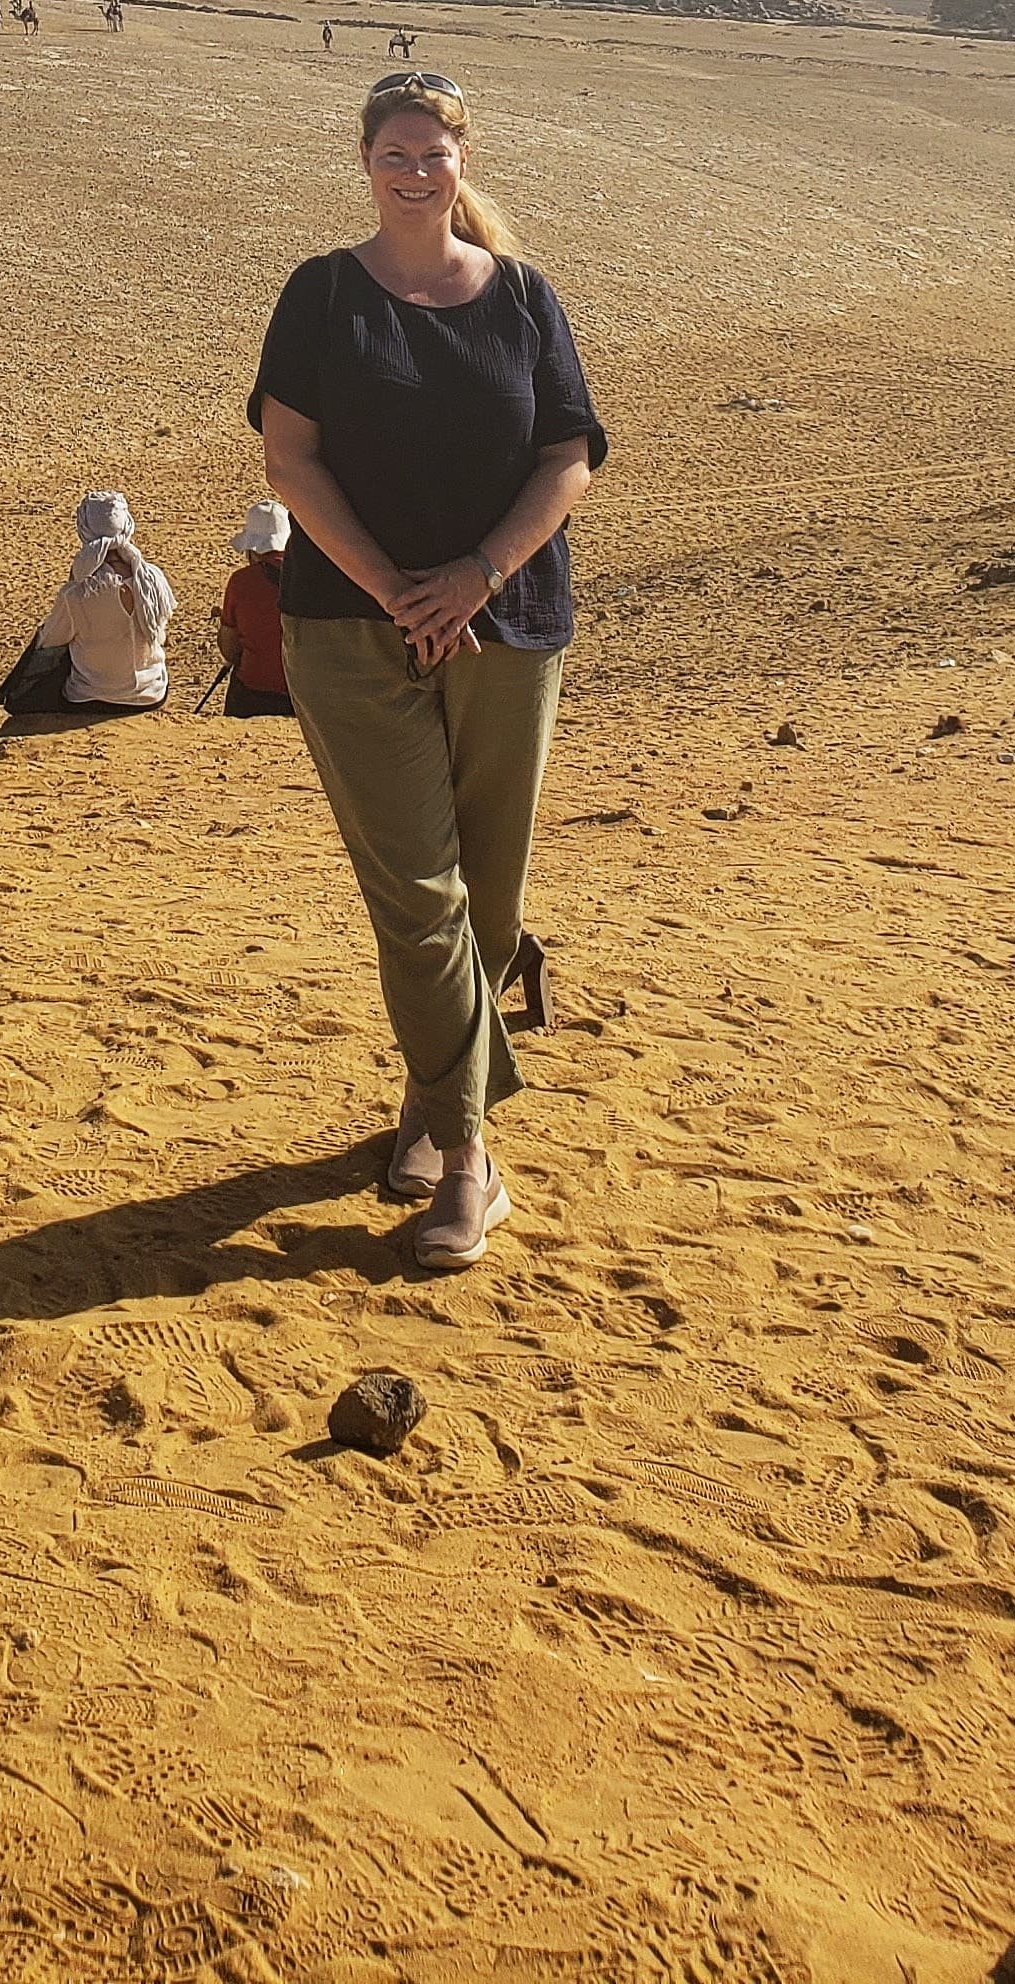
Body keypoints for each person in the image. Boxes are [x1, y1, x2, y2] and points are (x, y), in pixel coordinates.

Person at [249, 71, 604, 1271]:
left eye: (433, 156)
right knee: (421, 896)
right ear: (365, 161)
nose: (414, 174)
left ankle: (426, 1099)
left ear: (464, 163)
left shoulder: (526, 300)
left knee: (487, 901)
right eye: (395, 155)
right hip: (350, 634)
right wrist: (395, 586)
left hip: (508, 628)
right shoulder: (321, 295)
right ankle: (469, 1162)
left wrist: (476, 579)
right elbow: (289, 460)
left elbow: (568, 457)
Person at [36, 488, 175, 709]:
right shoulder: (152, 579)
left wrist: (72, 581)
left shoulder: (79, 593)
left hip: (92, 696)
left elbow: (49, 640)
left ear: (84, 530)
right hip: (151, 694)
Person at [213, 498, 296, 718]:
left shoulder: (241, 582)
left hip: (254, 692)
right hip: (303, 694)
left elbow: (230, 650)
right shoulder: (311, 578)